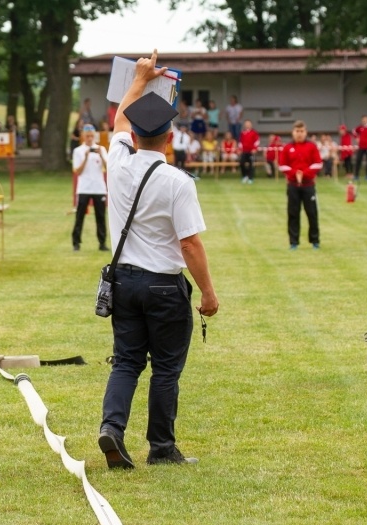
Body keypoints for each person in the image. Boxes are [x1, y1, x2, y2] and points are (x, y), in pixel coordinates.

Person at [99, 49, 219, 469]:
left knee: (127, 361)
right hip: (165, 286)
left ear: (133, 137)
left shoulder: (117, 162)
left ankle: (112, 429)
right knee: (165, 369)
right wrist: (208, 292)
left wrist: (138, 78)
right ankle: (162, 448)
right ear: (169, 137)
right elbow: (189, 245)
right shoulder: (177, 182)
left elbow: (119, 119)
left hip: (124, 283)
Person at [279, 120, 323, 250]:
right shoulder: (287, 147)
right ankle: (293, 242)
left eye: (302, 131)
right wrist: (294, 174)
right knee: (293, 213)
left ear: (306, 132)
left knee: (312, 213)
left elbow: (318, 163)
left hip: (308, 185)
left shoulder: (311, 147)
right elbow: (282, 165)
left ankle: (315, 241)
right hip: (293, 186)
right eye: (297, 131)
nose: (299, 134)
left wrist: (304, 174)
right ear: (293, 132)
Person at [71, 124, 109, 252]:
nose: (89, 138)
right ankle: (76, 243)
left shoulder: (101, 149)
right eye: (87, 136)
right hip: (84, 188)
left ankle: (102, 243)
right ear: (83, 136)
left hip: (99, 188)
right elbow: (79, 171)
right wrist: (86, 157)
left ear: (95, 136)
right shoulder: (78, 151)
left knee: (101, 217)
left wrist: (101, 156)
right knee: (80, 216)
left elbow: (107, 168)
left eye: (91, 136)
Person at [239, 119, 259, 184]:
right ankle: (245, 176)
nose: (247, 125)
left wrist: (255, 149)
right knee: (241, 163)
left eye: (249, 124)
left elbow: (257, 142)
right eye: (246, 124)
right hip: (244, 151)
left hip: (251, 152)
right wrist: (240, 149)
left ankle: (250, 178)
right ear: (244, 125)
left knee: (251, 164)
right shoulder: (242, 133)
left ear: (251, 125)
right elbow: (240, 142)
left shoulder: (254, 133)